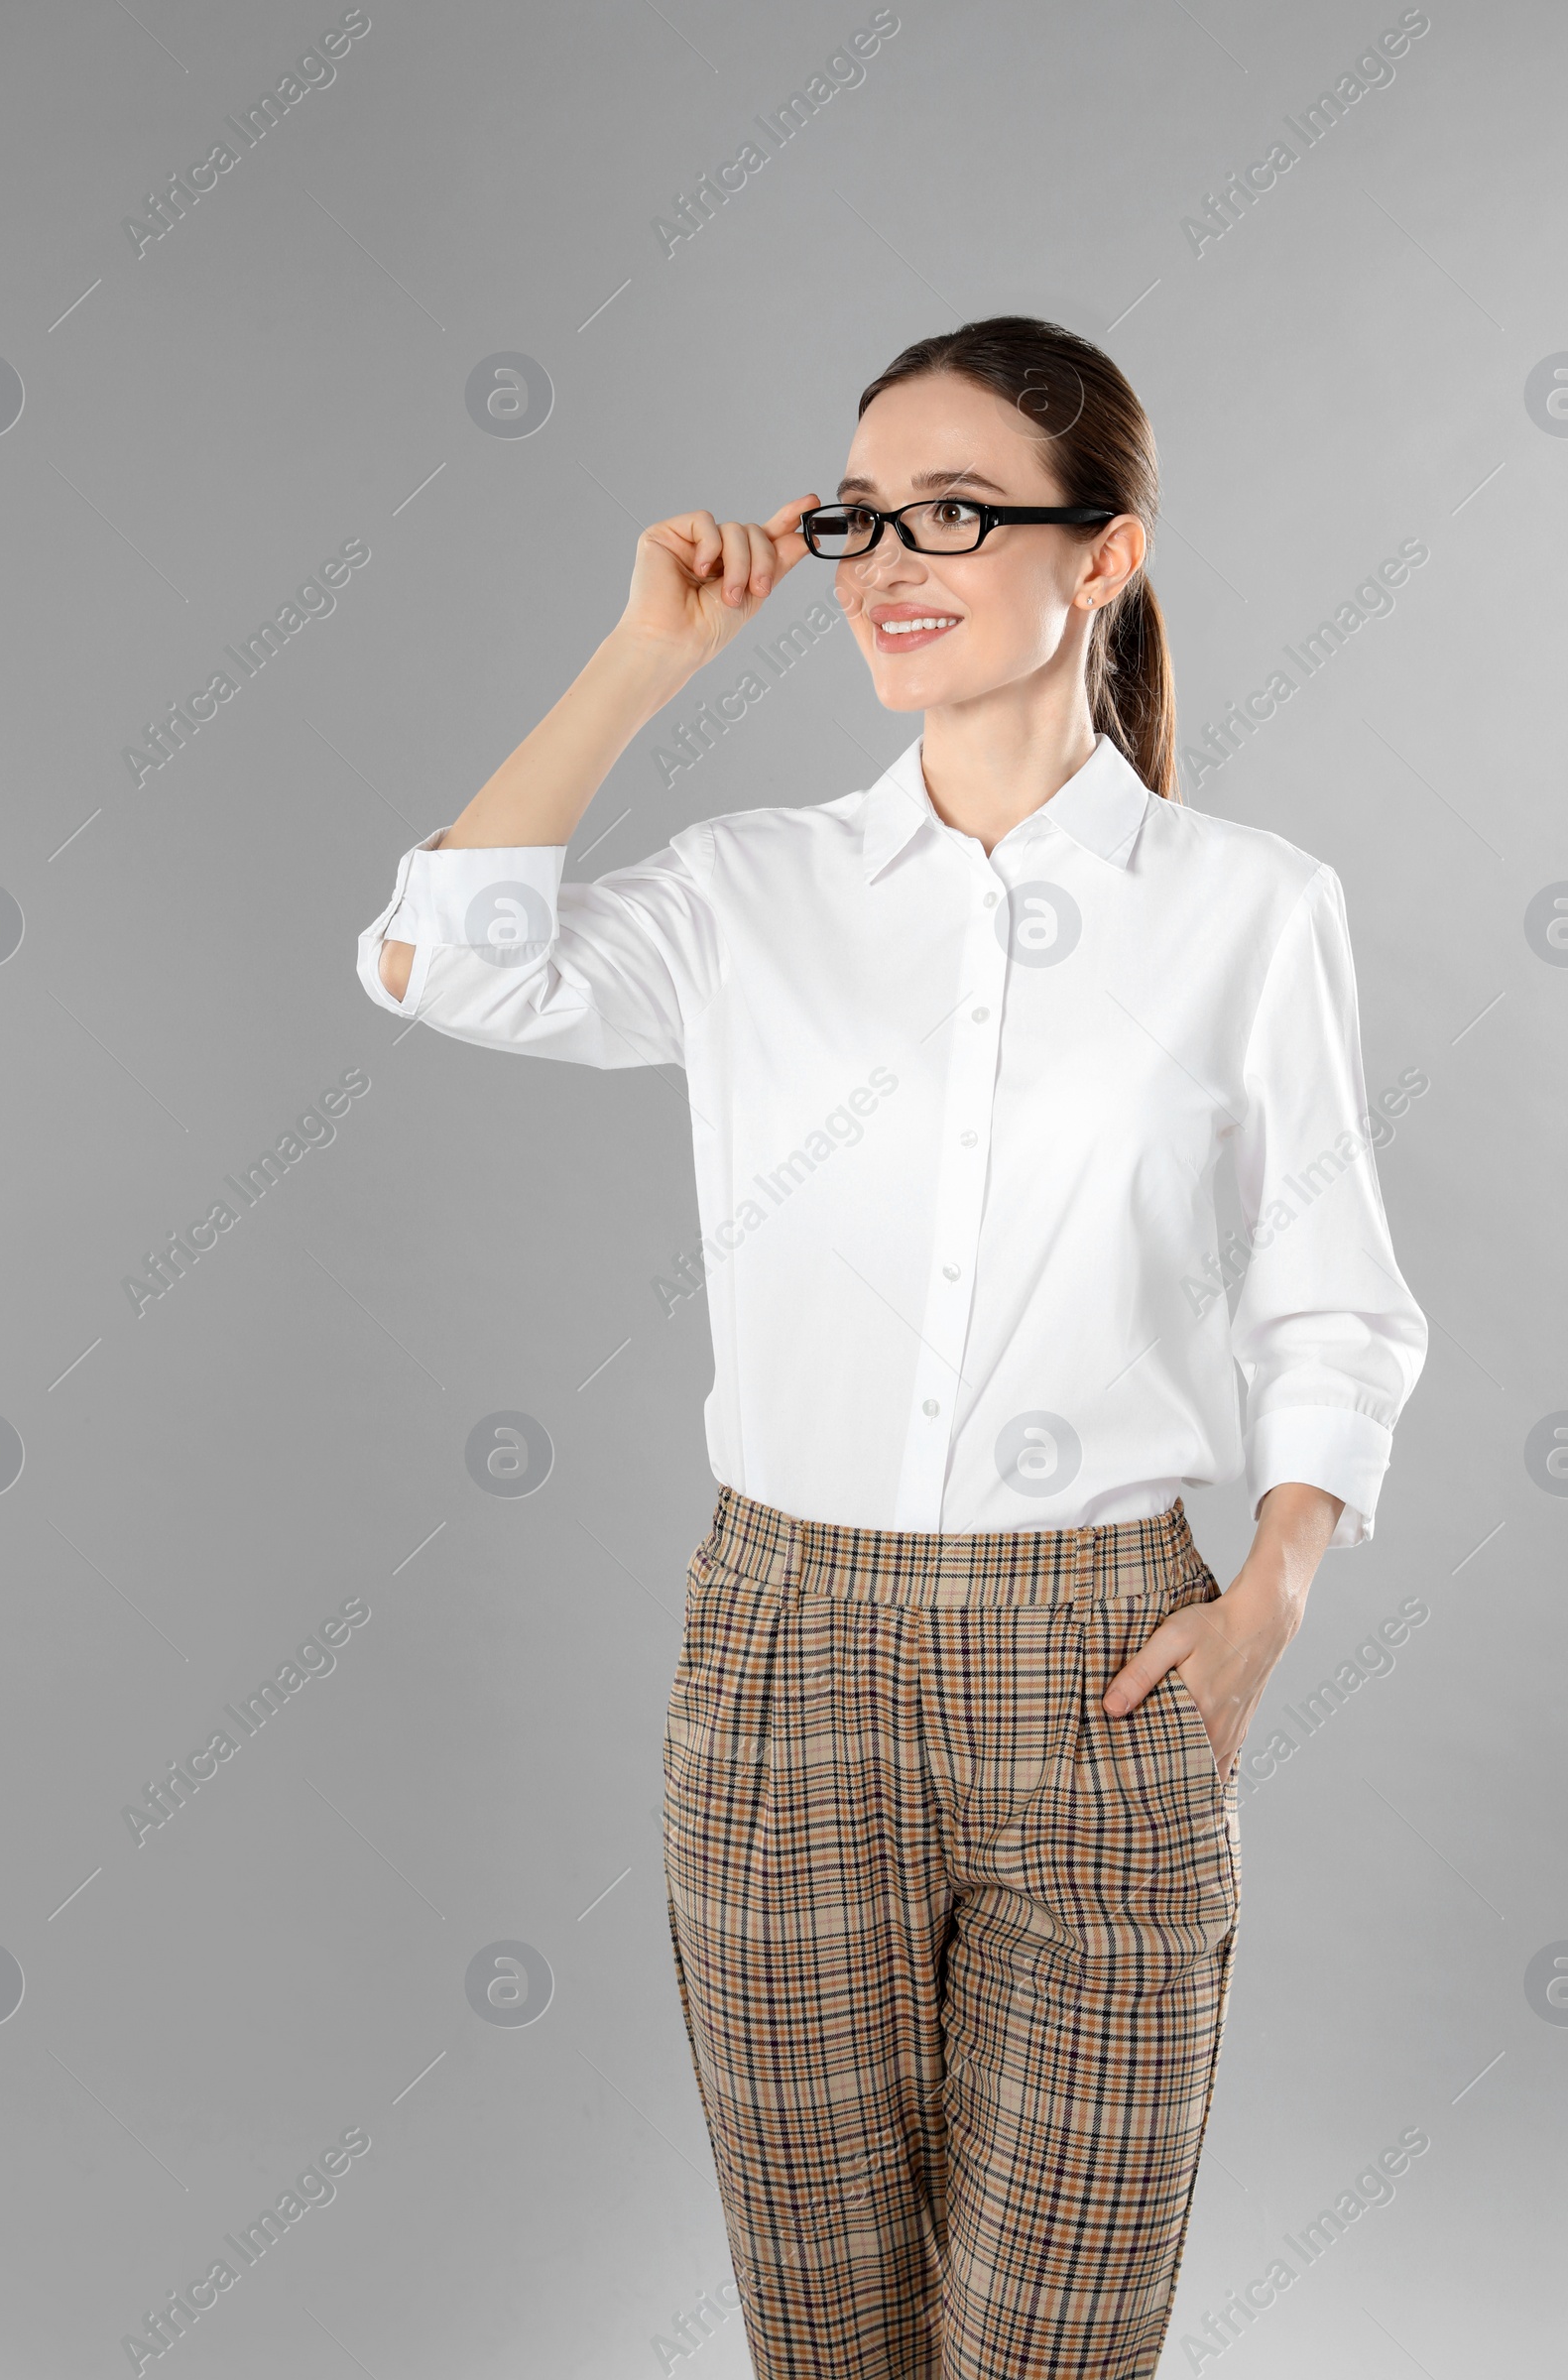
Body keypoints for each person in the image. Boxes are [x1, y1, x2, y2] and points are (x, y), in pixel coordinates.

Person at [356, 316, 1426, 2380]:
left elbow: (1329, 1288)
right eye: (862, 513)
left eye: (952, 511)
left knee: (1054, 2340)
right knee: (825, 2336)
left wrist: (1269, 1590)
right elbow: (433, 964)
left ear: (1097, 558)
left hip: (1101, 1659)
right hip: (781, 1657)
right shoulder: (757, 891)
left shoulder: (1243, 908)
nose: (883, 560)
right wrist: (643, 658)